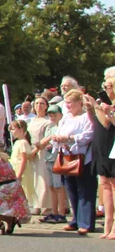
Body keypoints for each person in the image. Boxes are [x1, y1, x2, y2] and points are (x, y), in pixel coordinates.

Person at [51, 89, 96, 235]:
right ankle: (76, 220)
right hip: (66, 156)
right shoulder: (66, 118)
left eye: (70, 103)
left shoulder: (86, 117)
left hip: (82, 158)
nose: (68, 106)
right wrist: (57, 139)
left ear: (79, 103)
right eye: (66, 103)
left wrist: (69, 138)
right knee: (71, 190)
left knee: (85, 190)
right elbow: (59, 131)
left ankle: (86, 222)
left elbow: (88, 135)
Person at [84, 70, 115, 238]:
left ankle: (114, 226)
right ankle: (107, 226)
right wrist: (91, 108)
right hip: (99, 144)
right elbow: (95, 122)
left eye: (108, 85)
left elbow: (106, 123)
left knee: (114, 186)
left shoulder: (110, 104)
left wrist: (99, 107)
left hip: (111, 145)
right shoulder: (102, 103)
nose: (105, 87)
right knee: (105, 184)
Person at [37, 105, 70, 223]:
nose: (52, 117)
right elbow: (41, 144)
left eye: (55, 115)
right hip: (49, 158)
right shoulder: (49, 128)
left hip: (58, 159)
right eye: (50, 115)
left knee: (59, 187)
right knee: (52, 186)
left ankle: (61, 212)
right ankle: (54, 211)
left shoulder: (63, 127)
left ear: (60, 115)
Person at [27, 96, 54, 217]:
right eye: (37, 103)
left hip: (42, 151)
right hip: (31, 149)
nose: (39, 106)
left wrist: (36, 150)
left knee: (43, 178)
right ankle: (35, 204)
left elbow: (46, 139)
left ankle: (47, 205)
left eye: (42, 103)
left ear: (46, 106)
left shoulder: (48, 121)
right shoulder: (32, 120)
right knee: (33, 179)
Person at [8, 119, 38, 212]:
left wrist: (19, 174)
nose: (12, 132)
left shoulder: (23, 142)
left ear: (21, 130)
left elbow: (24, 159)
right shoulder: (17, 142)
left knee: (23, 188)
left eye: (13, 129)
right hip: (15, 168)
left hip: (21, 169)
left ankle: (24, 208)